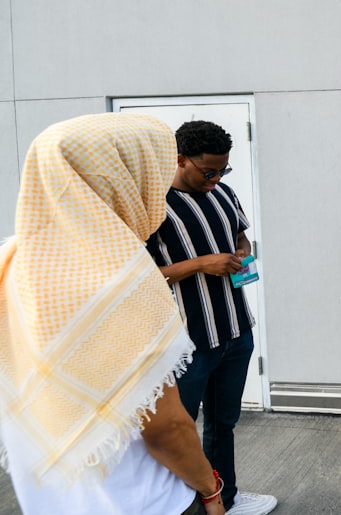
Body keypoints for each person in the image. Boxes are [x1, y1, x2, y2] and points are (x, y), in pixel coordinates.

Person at [0, 113, 225, 514]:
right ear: (121, 179)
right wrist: (210, 489)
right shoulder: (118, 278)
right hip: (143, 501)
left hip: (53, 496)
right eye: (152, 172)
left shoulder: (14, 260)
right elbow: (166, 428)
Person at [146, 120, 276, 515]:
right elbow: (141, 277)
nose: (216, 179)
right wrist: (202, 263)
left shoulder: (224, 194)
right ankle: (184, 508)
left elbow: (241, 235)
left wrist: (241, 251)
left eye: (223, 170)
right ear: (180, 158)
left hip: (236, 331)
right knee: (178, 437)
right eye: (208, 171)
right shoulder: (152, 206)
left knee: (223, 425)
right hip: (189, 346)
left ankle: (227, 500)